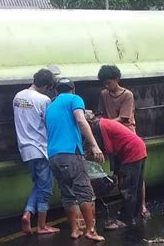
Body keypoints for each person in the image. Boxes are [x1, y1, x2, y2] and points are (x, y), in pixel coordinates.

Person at [45, 78, 105, 241]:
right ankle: (91, 230)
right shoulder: (74, 99)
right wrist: (94, 145)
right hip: (70, 153)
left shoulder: (51, 106)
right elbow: (80, 119)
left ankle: (75, 230)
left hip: (53, 156)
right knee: (85, 192)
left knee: (67, 193)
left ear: (57, 91)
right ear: (73, 89)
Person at [97, 64, 150, 218]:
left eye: (109, 83)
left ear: (117, 79)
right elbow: (100, 113)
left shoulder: (127, 95)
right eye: (104, 83)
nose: (107, 86)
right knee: (119, 174)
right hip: (112, 137)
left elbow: (123, 118)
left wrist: (104, 124)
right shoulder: (103, 94)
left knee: (136, 177)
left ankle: (142, 206)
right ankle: (127, 207)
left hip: (127, 135)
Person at [13, 68, 60, 235]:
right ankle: (42, 225)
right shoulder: (44, 100)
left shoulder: (18, 96)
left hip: (25, 149)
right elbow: (50, 123)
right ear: (46, 86)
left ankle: (28, 213)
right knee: (46, 188)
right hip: (41, 148)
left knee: (39, 184)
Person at [85, 111, 147, 230]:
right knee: (136, 186)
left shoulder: (99, 127)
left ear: (88, 123)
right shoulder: (104, 123)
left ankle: (124, 220)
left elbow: (109, 148)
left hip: (131, 151)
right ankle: (133, 215)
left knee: (128, 189)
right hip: (137, 147)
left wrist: (94, 152)